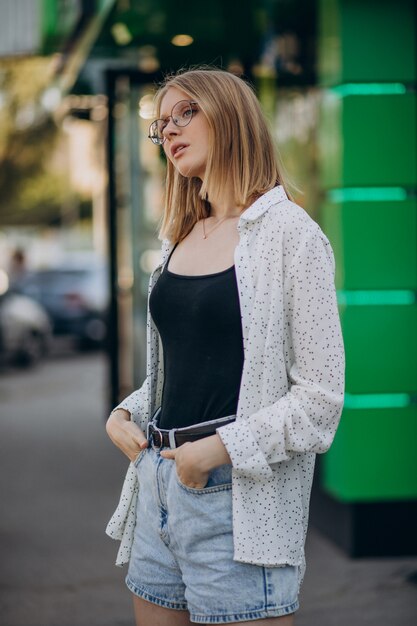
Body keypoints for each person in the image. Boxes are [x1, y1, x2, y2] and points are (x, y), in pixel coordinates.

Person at [105, 67, 345, 626]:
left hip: (234, 499)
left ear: (230, 116)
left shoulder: (292, 235)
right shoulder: (179, 236)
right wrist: (128, 411)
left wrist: (216, 451)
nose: (168, 130)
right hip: (157, 484)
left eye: (185, 112)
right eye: (161, 123)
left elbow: (320, 401)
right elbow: (186, 370)